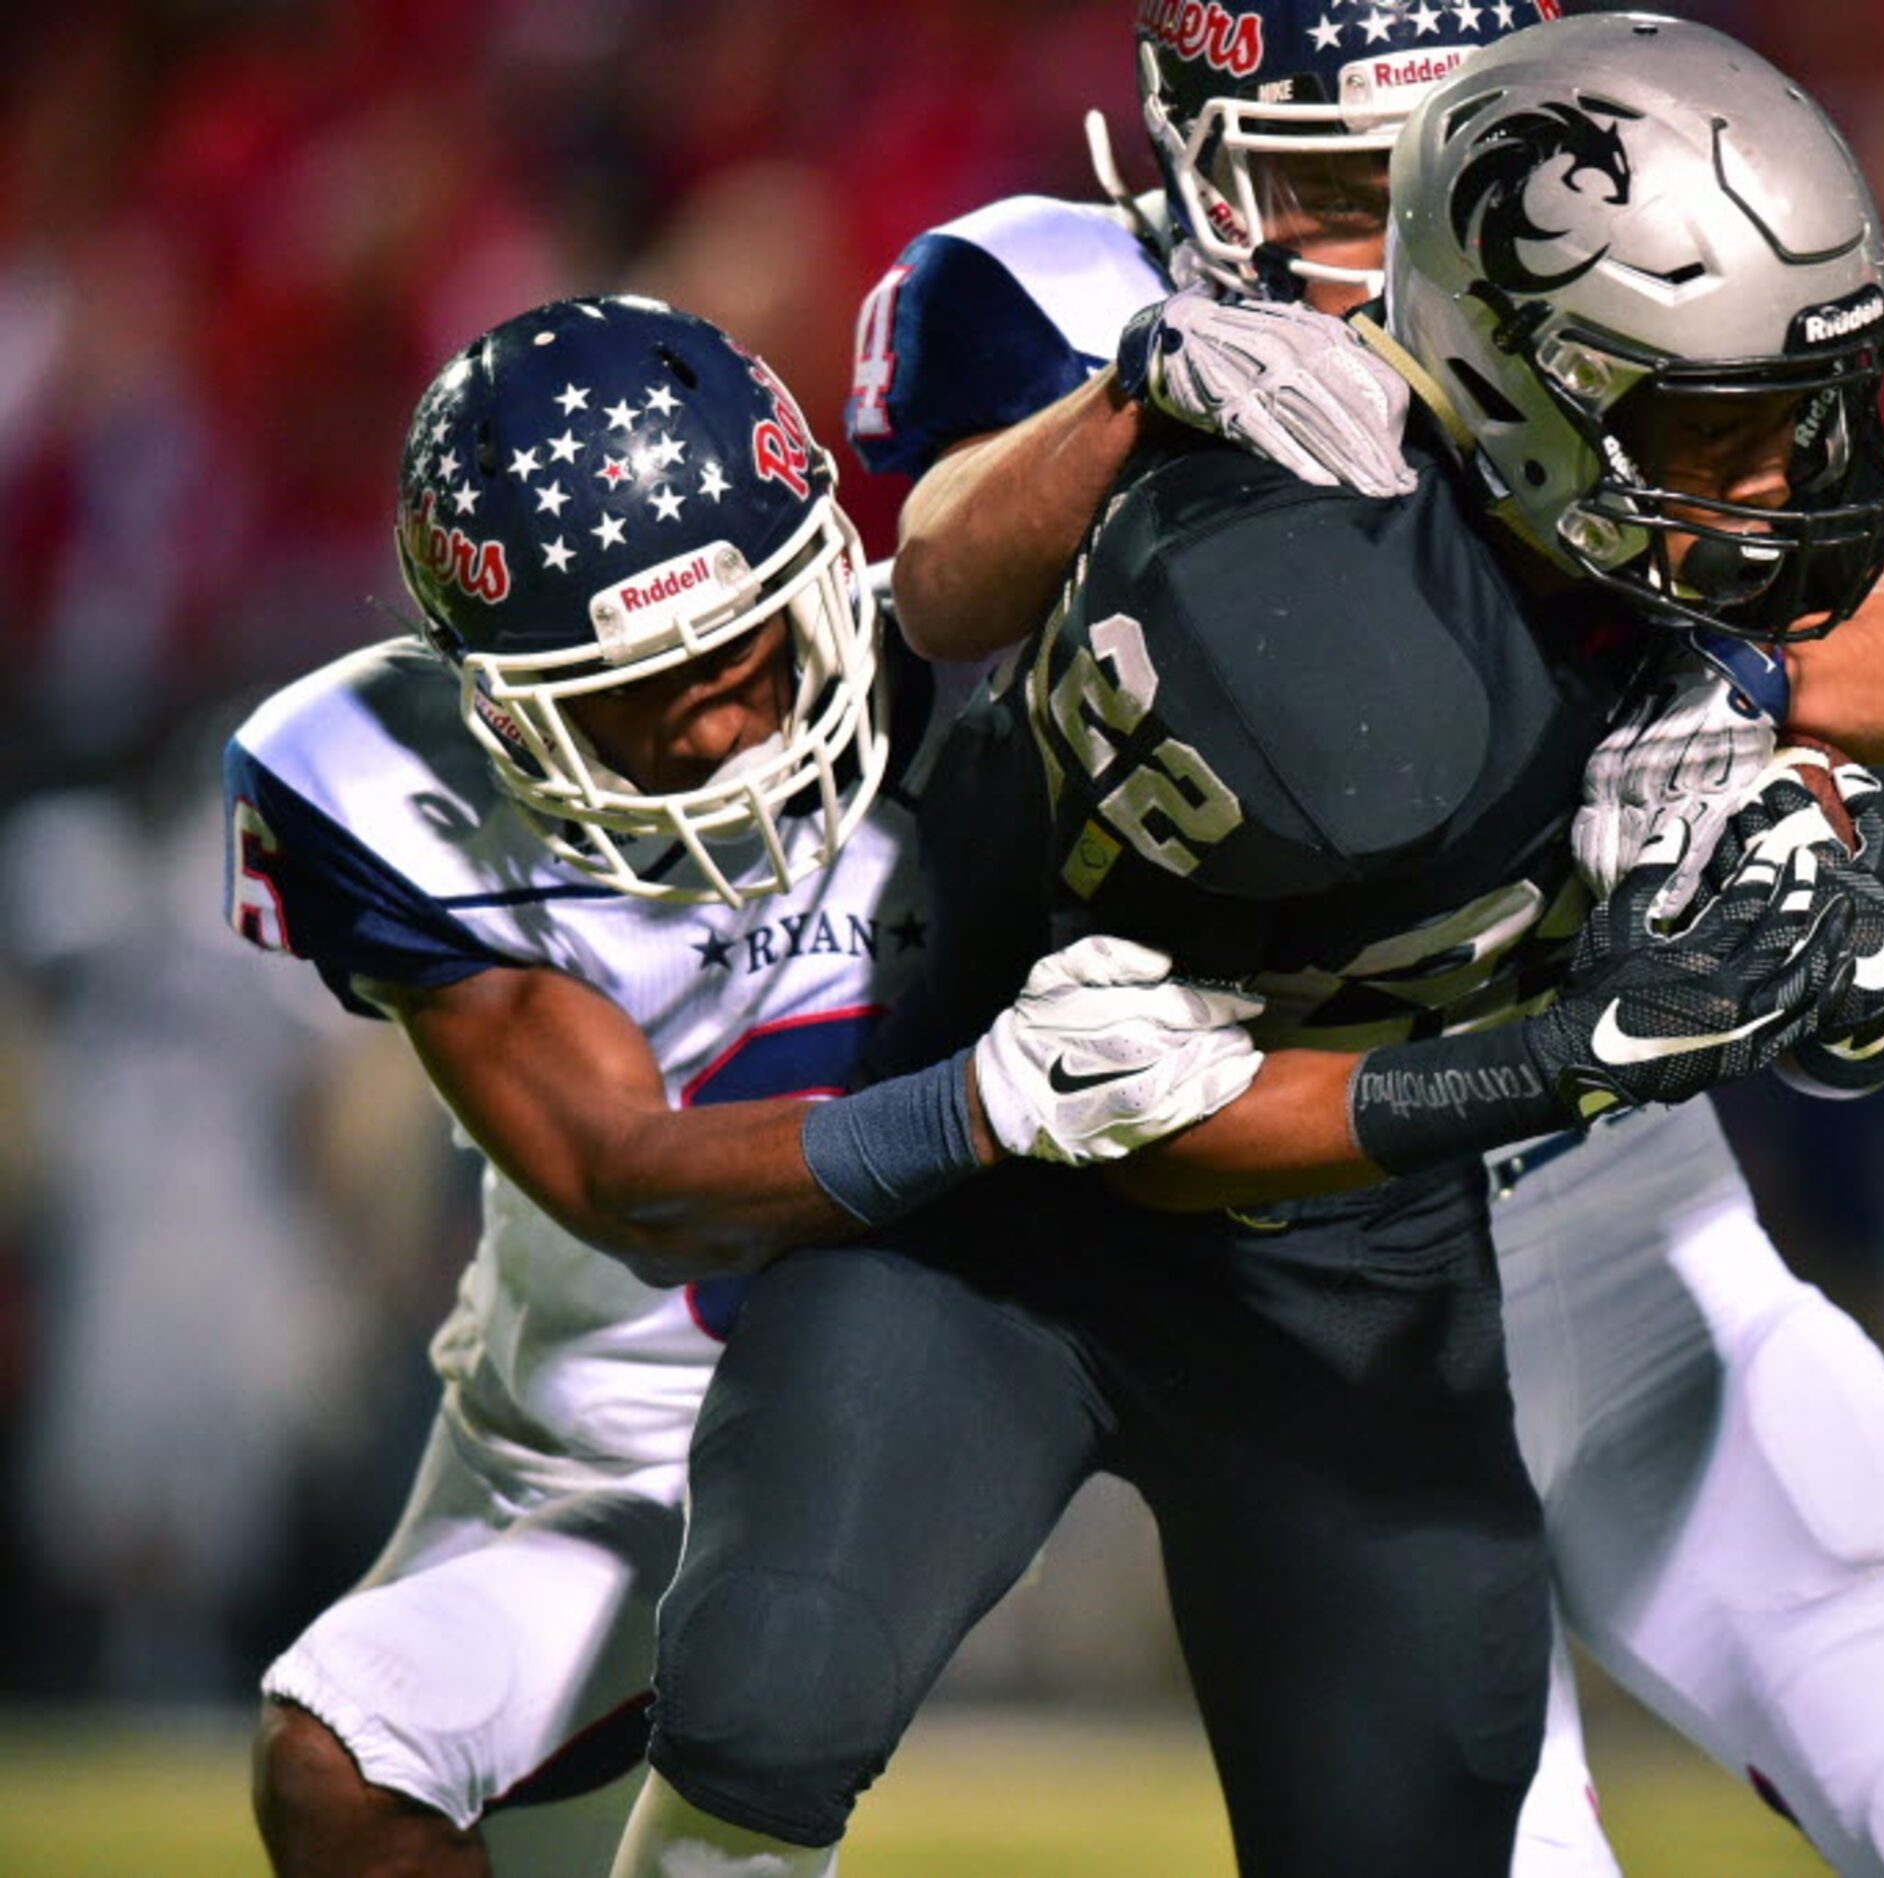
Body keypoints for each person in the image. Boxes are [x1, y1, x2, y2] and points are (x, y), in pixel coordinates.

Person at [610, 18, 1884, 1878]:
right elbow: (932, 586)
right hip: (1035, 1113)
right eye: (1334, 182)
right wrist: (1130, 401)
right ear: (1197, 152)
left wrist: (1728, 694)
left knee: (1425, 1825)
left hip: (1366, 1214)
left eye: (1421, 173)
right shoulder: (1064, 302)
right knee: (767, 1684)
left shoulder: (1610, 355)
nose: (1371, 243)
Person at [228, 293, 1274, 1878]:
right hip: (616, 1441)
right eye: (631, 689)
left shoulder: (971, 662)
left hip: (970, 1380)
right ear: (498, 698)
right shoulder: (385, 784)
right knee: (337, 1769)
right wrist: (982, 1102)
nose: (718, 717)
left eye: (739, 644)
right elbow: (623, 1174)